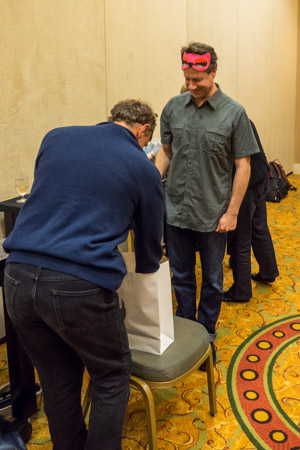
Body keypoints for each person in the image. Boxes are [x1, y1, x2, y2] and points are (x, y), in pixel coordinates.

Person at [3, 99, 164, 450]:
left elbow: (53, 196)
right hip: (78, 287)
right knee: (110, 376)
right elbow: (151, 248)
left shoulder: (56, 137)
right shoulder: (143, 167)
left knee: (58, 378)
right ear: (144, 132)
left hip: (15, 275)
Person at [155, 41, 259, 368]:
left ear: (213, 71)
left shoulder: (234, 113)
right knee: (181, 276)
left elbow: (244, 165)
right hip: (176, 210)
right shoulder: (173, 107)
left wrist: (232, 213)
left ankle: (205, 335)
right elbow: (166, 152)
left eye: (197, 79)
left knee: (212, 280)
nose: (190, 85)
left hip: (215, 213)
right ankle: (185, 330)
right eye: (186, 79)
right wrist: (147, 185)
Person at [224, 121, 279, 303]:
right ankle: (268, 272)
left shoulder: (220, 119)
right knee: (259, 227)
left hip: (245, 179)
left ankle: (241, 291)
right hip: (261, 173)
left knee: (241, 236)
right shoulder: (237, 113)